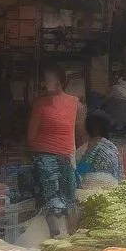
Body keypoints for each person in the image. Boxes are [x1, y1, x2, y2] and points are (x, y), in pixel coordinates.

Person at [28, 65, 85, 238]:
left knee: (60, 197)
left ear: (59, 82)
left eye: (47, 79)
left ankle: (67, 236)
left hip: (60, 155)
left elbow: (31, 136)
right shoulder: (42, 104)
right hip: (52, 155)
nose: (44, 83)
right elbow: (31, 136)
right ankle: (60, 236)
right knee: (57, 197)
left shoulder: (74, 103)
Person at [76, 111, 123, 184]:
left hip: (92, 185)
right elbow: (120, 174)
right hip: (113, 185)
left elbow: (82, 169)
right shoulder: (113, 147)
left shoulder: (91, 145)